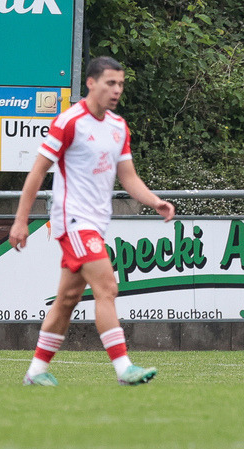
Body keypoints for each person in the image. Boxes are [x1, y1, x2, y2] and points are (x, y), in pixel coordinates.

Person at [9, 56, 175, 386]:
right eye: (110, 83)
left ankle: (36, 372)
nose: (117, 90)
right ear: (91, 83)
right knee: (107, 287)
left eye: (121, 84)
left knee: (67, 299)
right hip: (73, 220)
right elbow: (38, 172)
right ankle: (124, 368)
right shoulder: (70, 122)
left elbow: (128, 176)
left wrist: (154, 200)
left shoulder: (118, 127)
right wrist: (20, 221)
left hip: (95, 224)